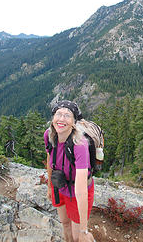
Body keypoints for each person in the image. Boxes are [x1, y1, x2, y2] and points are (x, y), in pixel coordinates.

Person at [44, 100, 95, 242]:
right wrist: (49, 186)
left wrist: (84, 230)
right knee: (65, 224)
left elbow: (81, 190)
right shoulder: (49, 135)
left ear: (74, 122)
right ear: (53, 118)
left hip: (75, 190)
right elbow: (50, 159)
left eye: (67, 115)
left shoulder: (80, 144)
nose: (61, 119)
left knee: (77, 236)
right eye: (58, 114)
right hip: (59, 186)